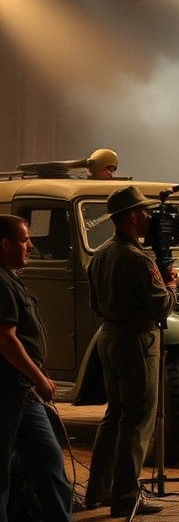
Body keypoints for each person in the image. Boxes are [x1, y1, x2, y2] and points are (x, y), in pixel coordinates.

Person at [84, 186, 177, 517]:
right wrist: (171, 285)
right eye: (145, 212)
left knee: (114, 415)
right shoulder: (137, 259)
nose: (149, 217)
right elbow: (161, 308)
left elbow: (95, 304)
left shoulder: (100, 255)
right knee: (138, 419)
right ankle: (126, 495)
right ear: (133, 216)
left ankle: (98, 490)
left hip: (109, 336)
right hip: (138, 341)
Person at [0, 215, 72, 522]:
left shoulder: (10, 277)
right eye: (24, 240)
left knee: (49, 462)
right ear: (5, 245)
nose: (30, 246)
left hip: (25, 393)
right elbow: (5, 339)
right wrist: (37, 375)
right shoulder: (1, 282)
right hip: (7, 388)